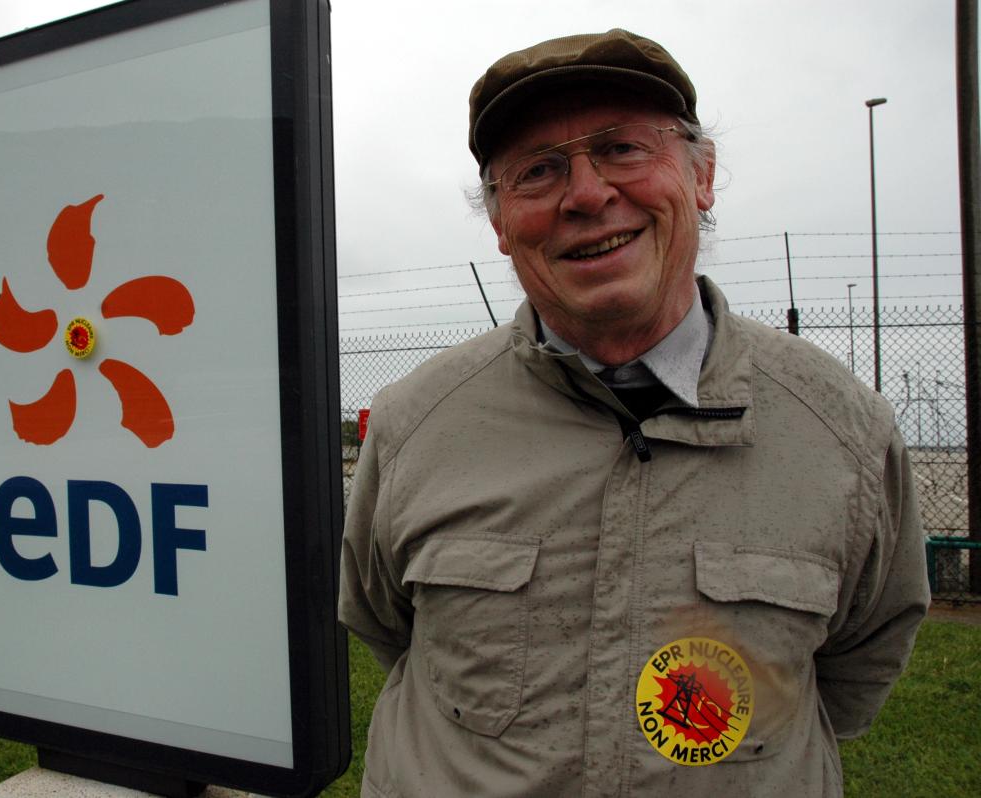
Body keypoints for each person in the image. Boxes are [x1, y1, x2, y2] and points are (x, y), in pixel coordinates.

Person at [338, 29, 930, 797]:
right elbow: (388, 628)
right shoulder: (417, 423)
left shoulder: (844, 434)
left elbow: (857, 666)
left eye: (621, 150)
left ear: (702, 174)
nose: (585, 195)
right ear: (499, 220)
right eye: (539, 171)